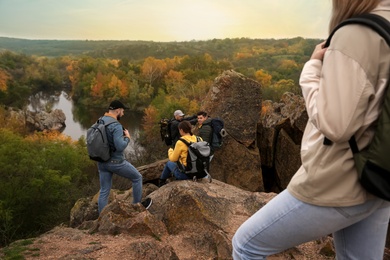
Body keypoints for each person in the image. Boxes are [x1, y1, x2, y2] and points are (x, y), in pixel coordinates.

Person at [232, 0, 390, 259]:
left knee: (246, 245)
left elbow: (336, 126)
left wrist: (311, 70)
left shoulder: (356, 34)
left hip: (337, 182)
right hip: (379, 178)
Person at [97, 100, 152, 214]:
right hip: (115, 161)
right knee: (137, 178)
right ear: (117, 110)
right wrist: (127, 137)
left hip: (101, 161)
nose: (123, 113)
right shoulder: (115, 125)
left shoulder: (100, 121)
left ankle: (101, 218)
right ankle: (137, 207)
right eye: (122, 111)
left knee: (104, 190)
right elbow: (120, 146)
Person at [158, 120, 201, 186]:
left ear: (181, 130)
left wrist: (170, 151)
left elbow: (173, 159)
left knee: (169, 163)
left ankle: (161, 183)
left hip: (187, 175)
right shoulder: (199, 139)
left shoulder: (180, 142)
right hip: (200, 173)